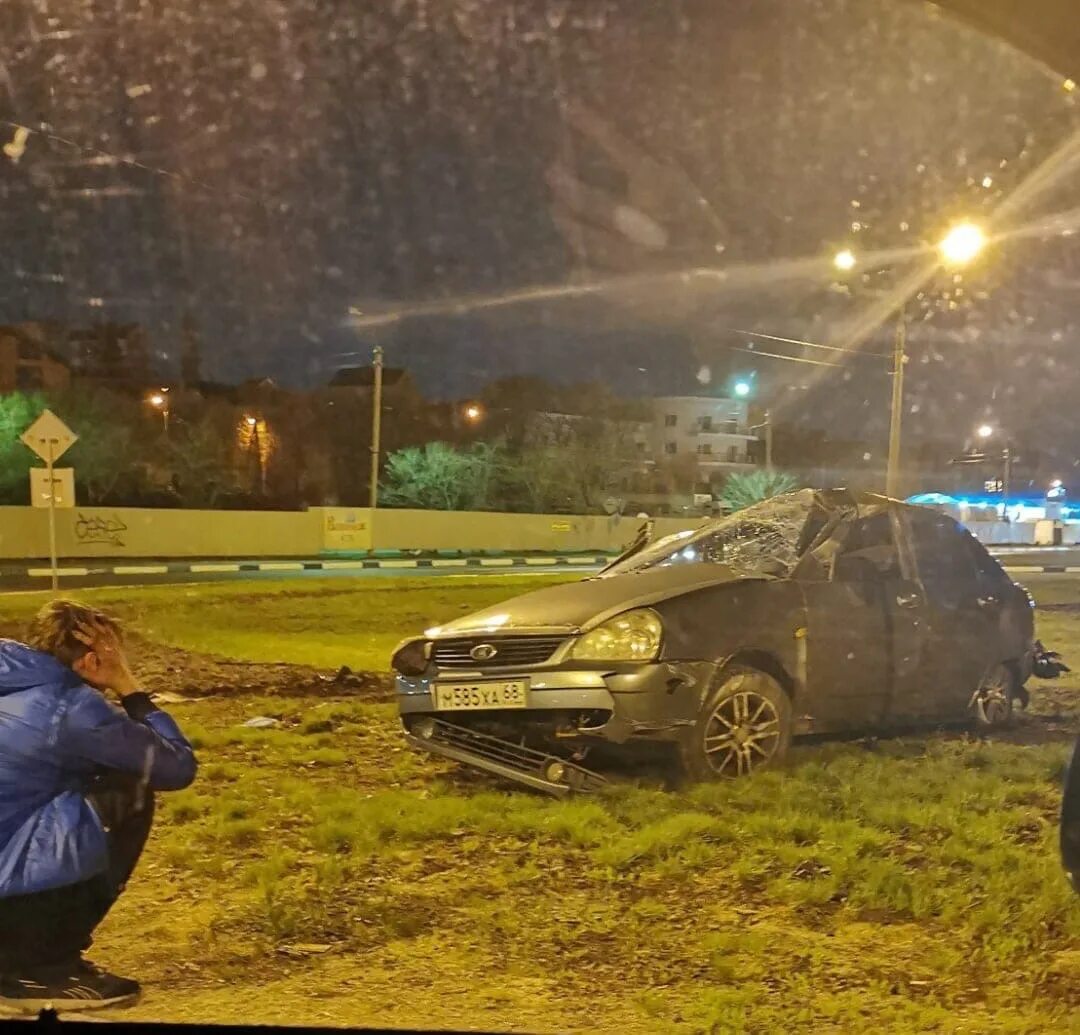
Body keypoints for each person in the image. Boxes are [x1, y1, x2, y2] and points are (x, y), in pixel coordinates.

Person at [0, 600, 197, 1014]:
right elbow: (175, 767)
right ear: (93, 656)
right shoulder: (70, 708)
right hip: (10, 904)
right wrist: (127, 685)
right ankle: (37, 968)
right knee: (127, 788)